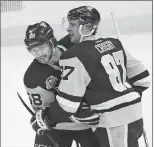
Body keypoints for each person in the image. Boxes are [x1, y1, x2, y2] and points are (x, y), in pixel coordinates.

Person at [39, 6, 151, 147]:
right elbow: (143, 80)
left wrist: (46, 116)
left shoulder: (74, 56)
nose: (68, 29)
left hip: (114, 123)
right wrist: (124, 100)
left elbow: (67, 105)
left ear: (87, 28)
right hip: (135, 116)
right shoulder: (114, 43)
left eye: (73, 25)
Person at [24, 21, 100, 147]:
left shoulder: (74, 46)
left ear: (52, 42)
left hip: (90, 123)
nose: (39, 55)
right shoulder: (33, 77)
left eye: (42, 47)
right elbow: (46, 115)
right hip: (59, 126)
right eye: (34, 50)